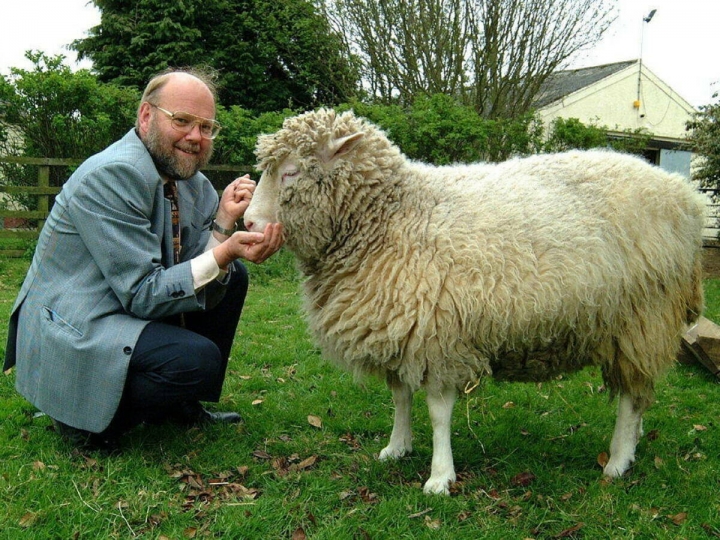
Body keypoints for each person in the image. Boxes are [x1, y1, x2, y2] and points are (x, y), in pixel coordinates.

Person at [3, 67, 284, 451]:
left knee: (232, 277)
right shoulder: (111, 175)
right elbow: (143, 293)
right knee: (195, 359)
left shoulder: (193, 182)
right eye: (182, 121)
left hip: (124, 305)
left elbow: (191, 268)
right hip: (76, 323)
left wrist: (223, 224)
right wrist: (224, 250)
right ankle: (81, 421)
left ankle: (180, 405)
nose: (195, 137)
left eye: (206, 127)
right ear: (146, 116)